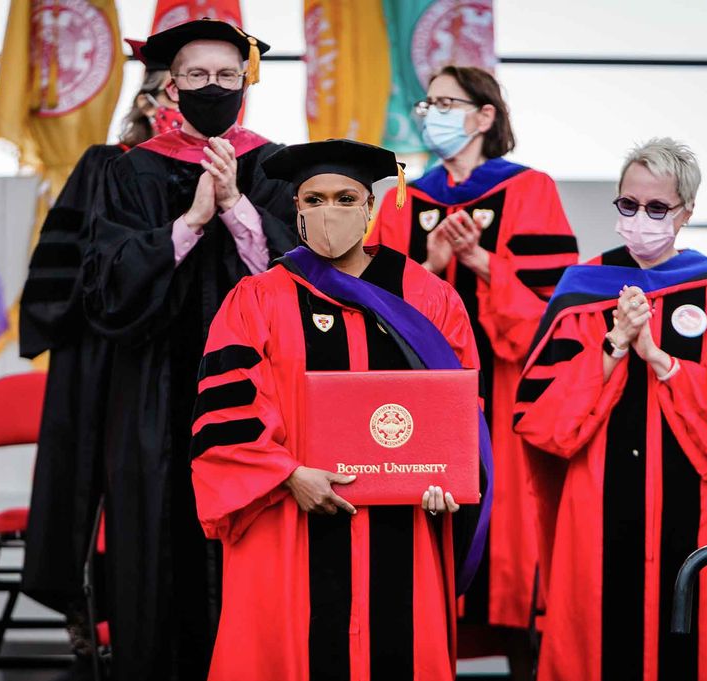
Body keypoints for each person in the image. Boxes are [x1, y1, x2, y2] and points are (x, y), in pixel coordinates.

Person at [192, 138, 490, 680]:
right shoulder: (258, 299)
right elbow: (227, 410)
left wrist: (447, 478)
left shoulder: (427, 298)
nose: (330, 212)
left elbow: (460, 409)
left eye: (346, 198)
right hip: (289, 517)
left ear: (371, 209)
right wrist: (288, 475)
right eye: (314, 199)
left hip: (404, 522)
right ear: (296, 209)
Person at [80, 19, 297, 681]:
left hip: (252, 397)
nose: (214, 87)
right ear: (171, 87)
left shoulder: (275, 166)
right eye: (199, 76)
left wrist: (235, 205)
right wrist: (191, 221)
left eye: (227, 76)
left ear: (245, 84)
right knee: (153, 547)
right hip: (150, 392)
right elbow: (103, 286)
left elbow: (296, 278)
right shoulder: (129, 171)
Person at [514, 138, 707, 681]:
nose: (639, 218)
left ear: (686, 213)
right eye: (628, 205)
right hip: (597, 507)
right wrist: (614, 345)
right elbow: (538, 419)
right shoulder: (581, 292)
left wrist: (657, 356)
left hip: (695, 513)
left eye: (657, 209)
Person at [367, 64, 578, 674]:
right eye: (427, 102)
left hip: (506, 396)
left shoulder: (529, 190)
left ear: (485, 116)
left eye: (447, 102)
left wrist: (481, 260)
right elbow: (377, 312)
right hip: (427, 403)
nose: (432, 113)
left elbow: (554, 314)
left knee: (507, 534)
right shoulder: (405, 198)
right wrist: (430, 265)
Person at [19, 39, 182, 677]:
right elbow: (66, 263)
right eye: (166, 89)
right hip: (101, 353)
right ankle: (84, 610)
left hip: (177, 357)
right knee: (88, 476)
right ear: (145, 101)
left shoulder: (226, 166)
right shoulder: (105, 163)